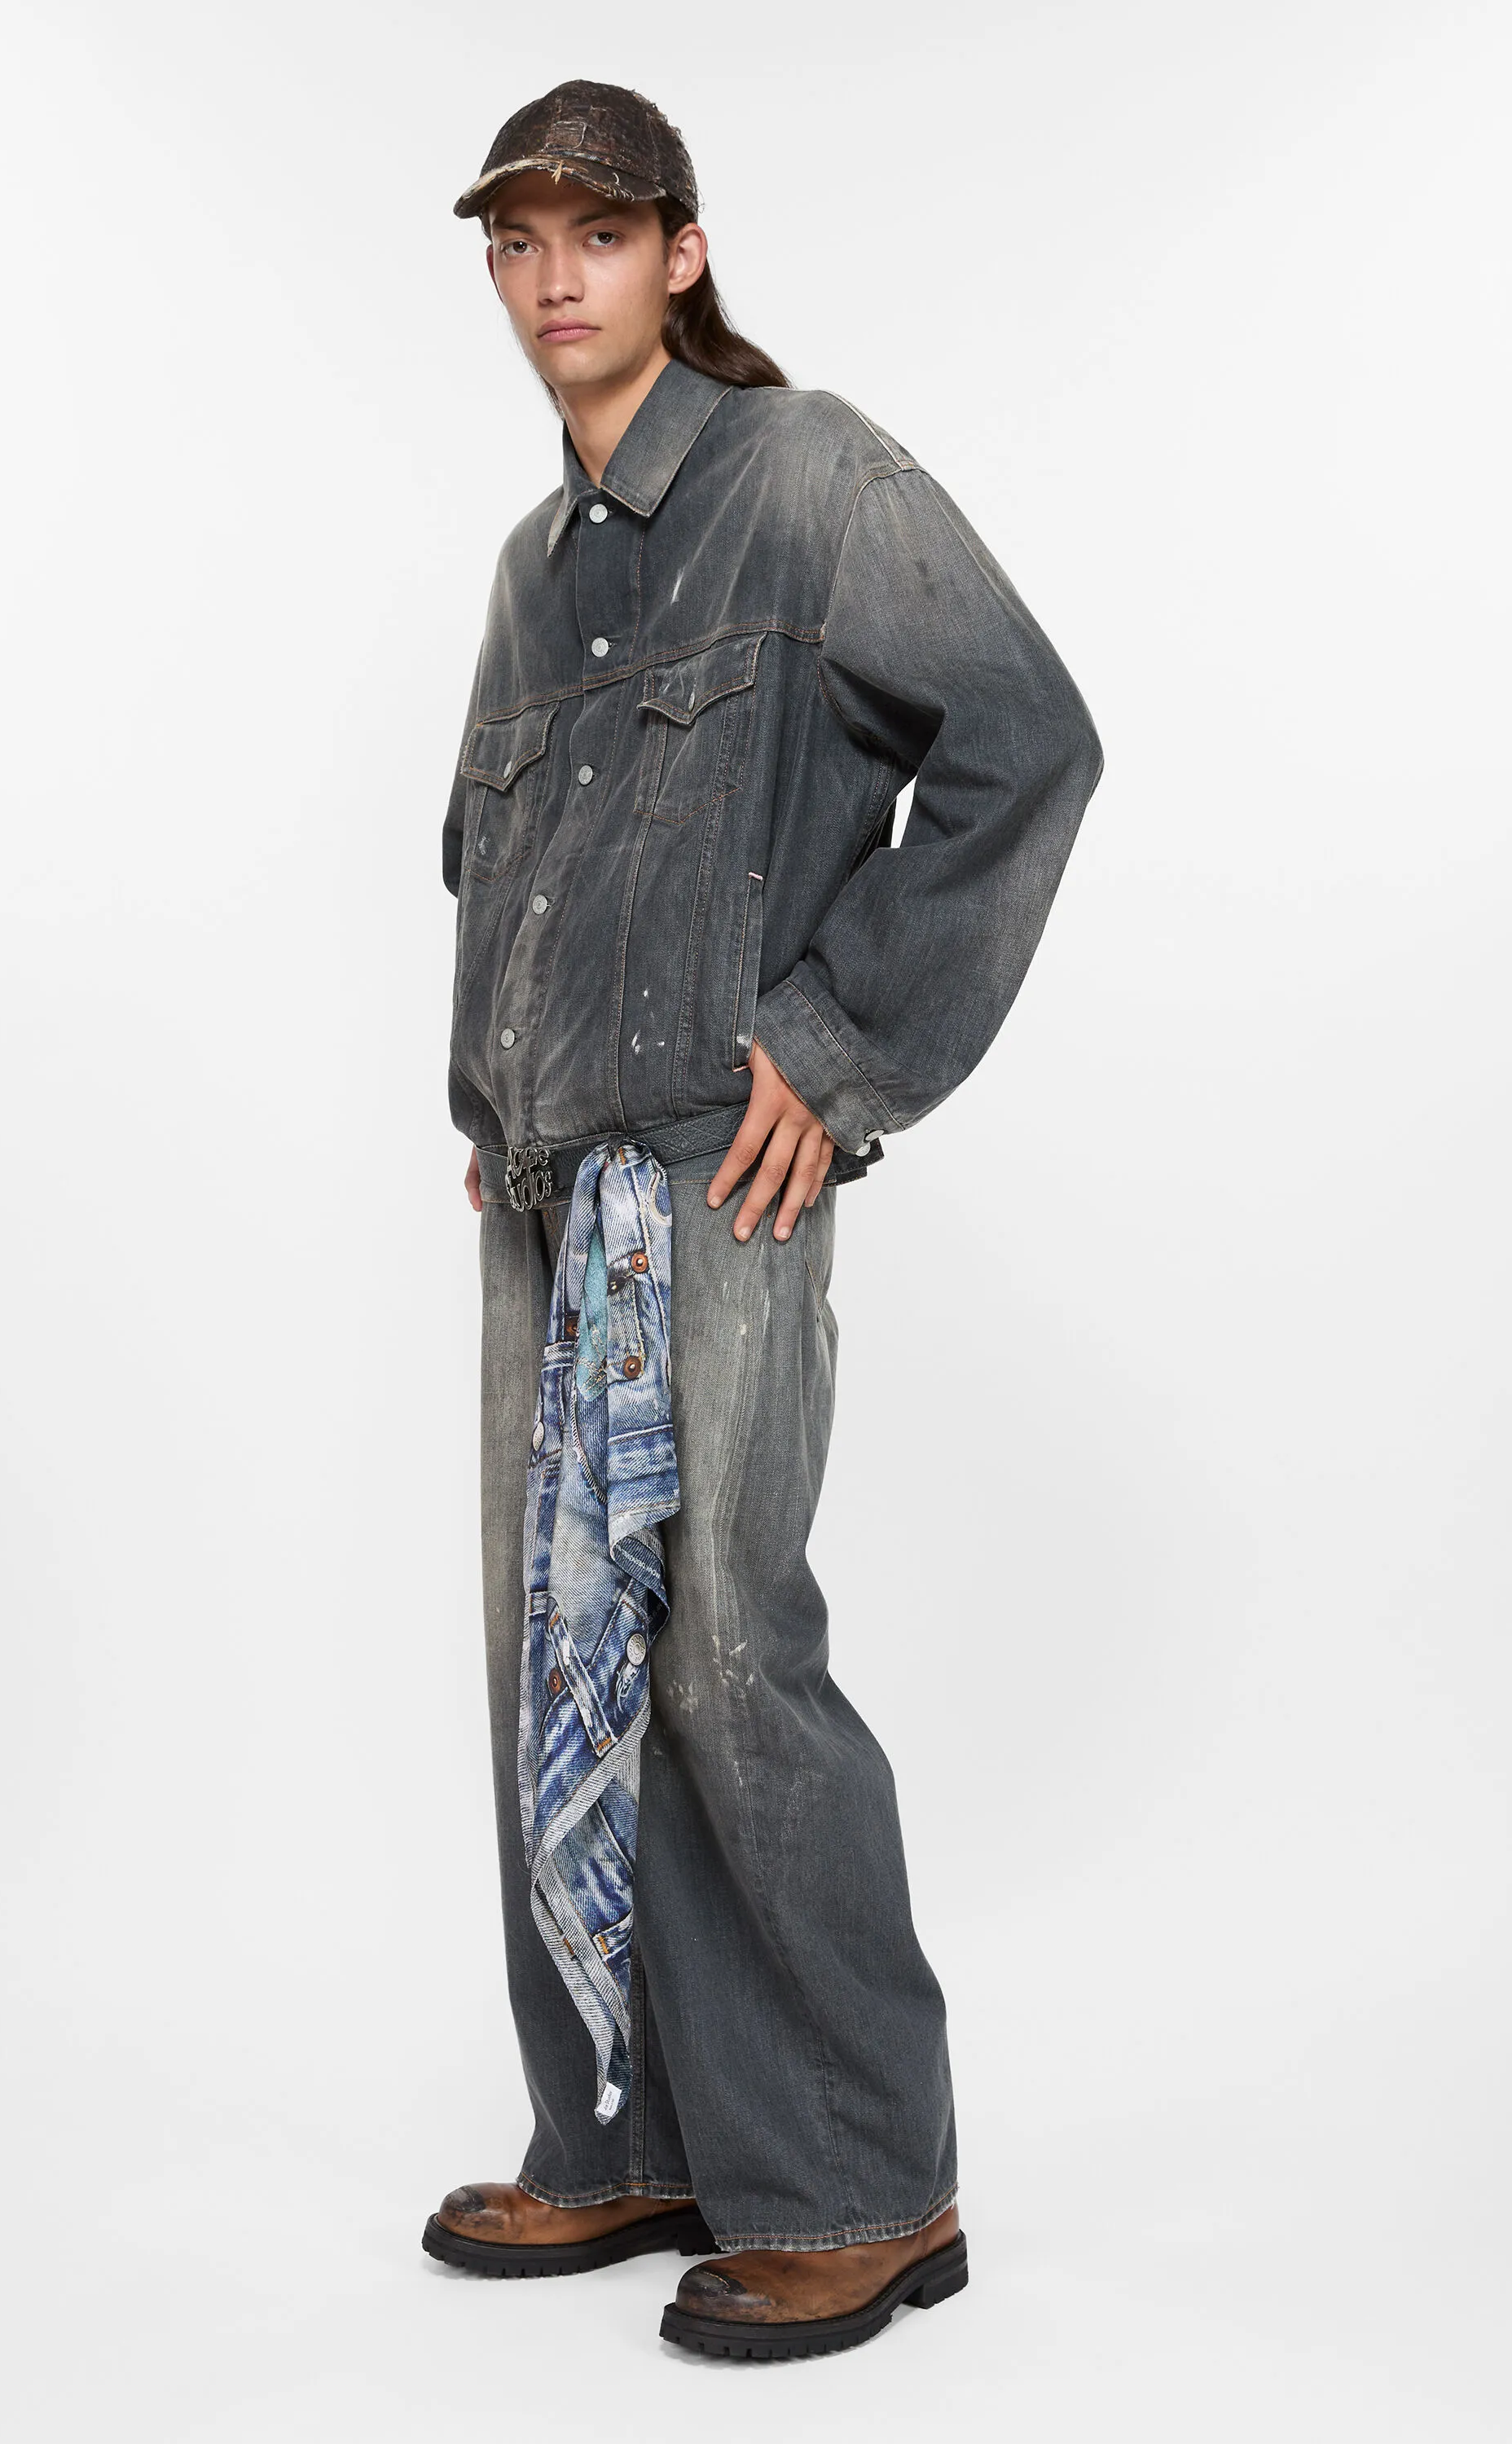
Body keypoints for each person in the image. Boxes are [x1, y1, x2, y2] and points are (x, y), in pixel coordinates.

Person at [421, 79, 1102, 2361]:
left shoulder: (809, 480)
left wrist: (842, 1034)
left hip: (722, 1169)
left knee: (725, 1643)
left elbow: (1024, 739)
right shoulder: (533, 573)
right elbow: (497, 864)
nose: (554, 279)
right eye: (517, 242)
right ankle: (630, 2132)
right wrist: (487, 1096)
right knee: (564, 1654)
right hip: (547, 1191)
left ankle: (867, 2183)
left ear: (680, 252)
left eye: (596, 235)